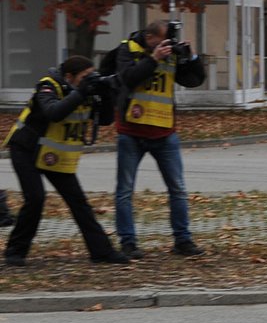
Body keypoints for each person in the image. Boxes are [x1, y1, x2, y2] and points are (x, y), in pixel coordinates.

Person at [3, 56, 128, 266]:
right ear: (69, 77)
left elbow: (105, 119)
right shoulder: (48, 86)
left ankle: (102, 252)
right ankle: (15, 252)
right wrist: (82, 92)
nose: (89, 80)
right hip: (26, 149)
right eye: (84, 77)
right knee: (35, 199)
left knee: (78, 202)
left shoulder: (85, 90)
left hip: (53, 153)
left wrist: (105, 94)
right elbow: (54, 112)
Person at [114, 20, 206, 259]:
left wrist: (192, 58)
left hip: (164, 132)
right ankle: (128, 242)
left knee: (178, 189)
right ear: (150, 37)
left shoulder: (170, 52)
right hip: (131, 132)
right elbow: (128, 78)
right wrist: (153, 58)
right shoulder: (127, 50)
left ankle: (183, 240)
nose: (167, 44)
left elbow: (194, 80)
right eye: (163, 40)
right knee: (125, 190)